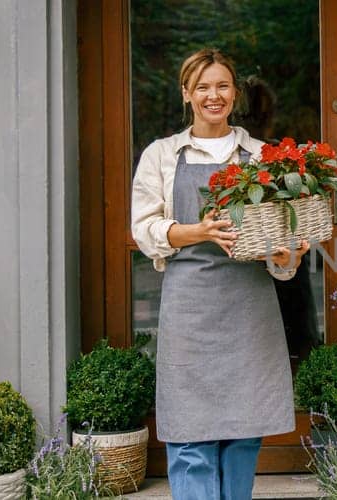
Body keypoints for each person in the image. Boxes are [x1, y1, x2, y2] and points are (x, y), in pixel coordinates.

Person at [130, 48, 310, 500]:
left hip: (249, 304)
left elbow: (278, 255)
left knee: (244, 430)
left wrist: (289, 255)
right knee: (189, 432)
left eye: (223, 86)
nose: (214, 95)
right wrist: (199, 231)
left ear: (236, 93)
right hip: (190, 304)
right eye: (203, 87)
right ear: (187, 94)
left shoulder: (263, 156)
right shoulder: (162, 155)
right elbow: (144, 230)